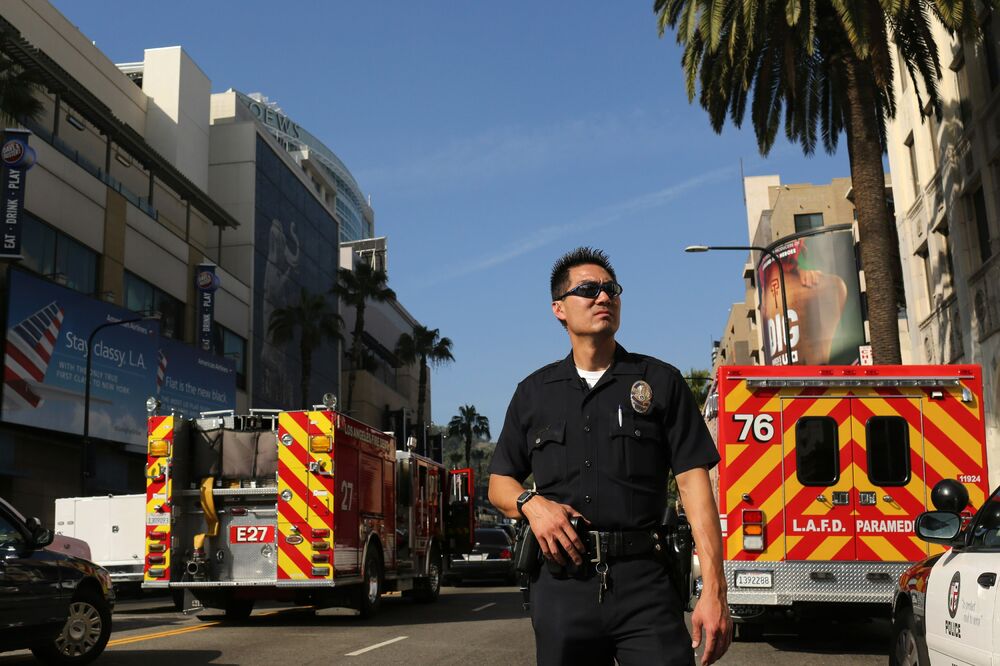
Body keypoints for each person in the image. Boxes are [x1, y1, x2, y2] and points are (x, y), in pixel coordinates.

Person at [488, 247, 732, 665]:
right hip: (563, 585)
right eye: (588, 289)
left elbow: (695, 489)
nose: (604, 297)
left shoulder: (661, 382)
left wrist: (714, 590)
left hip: (647, 584)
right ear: (559, 309)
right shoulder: (533, 393)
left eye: (611, 289)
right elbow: (500, 484)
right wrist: (533, 505)